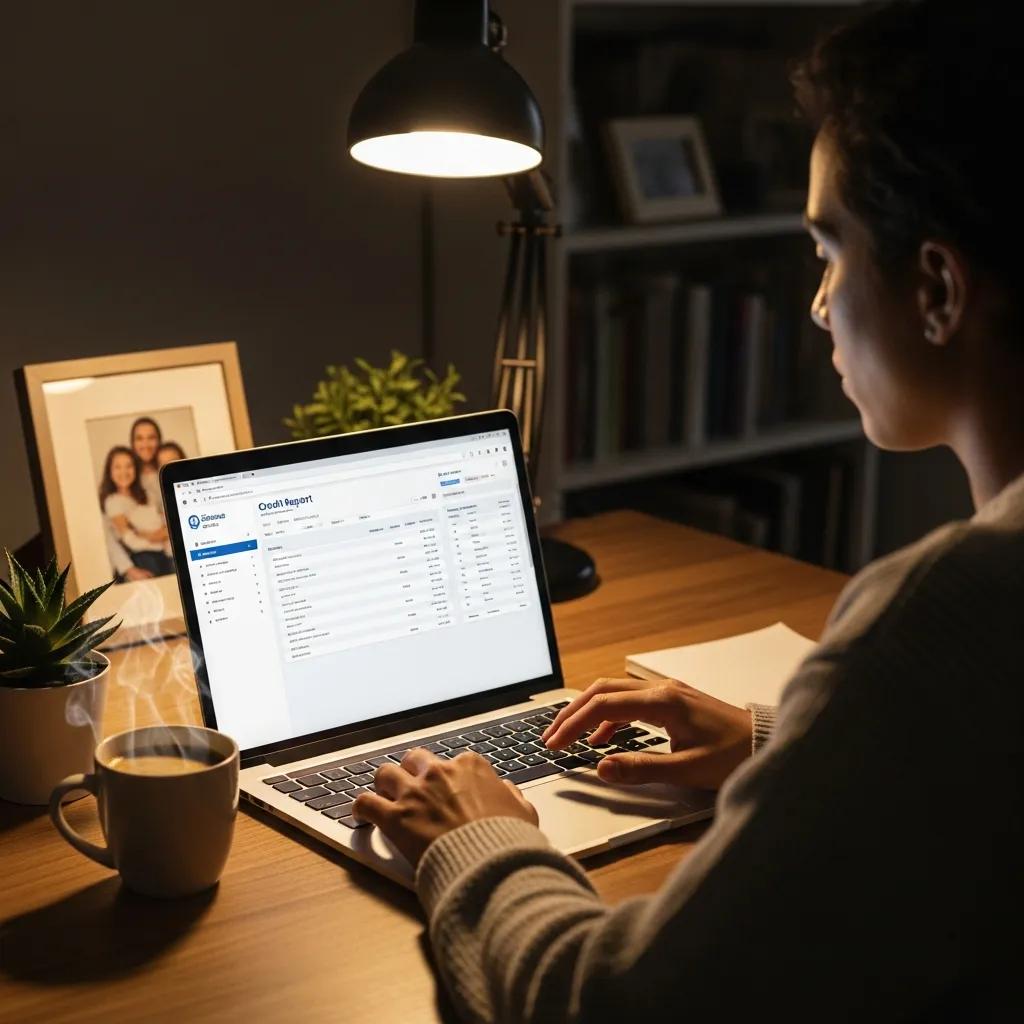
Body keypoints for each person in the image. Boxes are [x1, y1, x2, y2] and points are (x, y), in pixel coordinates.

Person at [350, 3, 1023, 1020]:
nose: (817, 302)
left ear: (936, 287)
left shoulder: (945, 610)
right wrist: (787, 745)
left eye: (827, 250)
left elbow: (609, 1003)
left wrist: (474, 838)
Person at [99, 446, 173, 578]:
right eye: (117, 467)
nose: (124, 472)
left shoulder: (147, 495)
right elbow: (130, 539)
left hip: (166, 555)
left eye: (129, 466)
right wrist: (157, 539)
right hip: (145, 559)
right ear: (109, 471)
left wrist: (149, 535)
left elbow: (166, 525)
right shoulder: (113, 501)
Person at [129, 416, 164, 513]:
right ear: (133, 443)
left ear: (159, 440)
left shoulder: (165, 470)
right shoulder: (127, 475)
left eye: (151, 438)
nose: (146, 444)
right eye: (139, 438)